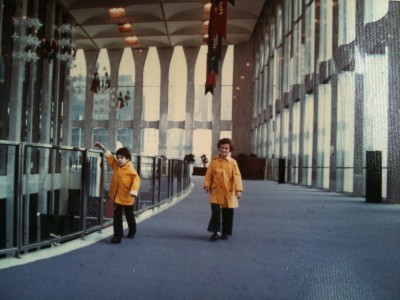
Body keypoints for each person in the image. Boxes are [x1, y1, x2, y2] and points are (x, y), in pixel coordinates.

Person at [94, 142, 140, 244]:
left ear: (127, 159)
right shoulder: (117, 166)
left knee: (129, 215)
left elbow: (136, 180)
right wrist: (103, 148)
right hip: (117, 197)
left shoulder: (130, 169)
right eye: (118, 157)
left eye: (121, 158)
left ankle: (132, 230)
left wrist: (133, 192)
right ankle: (117, 236)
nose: (119, 160)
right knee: (117, 217)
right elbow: (110, 158)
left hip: (127, 197)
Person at [203, 138, 243, 241]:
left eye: (226, 148)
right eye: (222, 148)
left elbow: (237, 176)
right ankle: (216, 232)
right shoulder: (214, 161)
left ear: (229, 150)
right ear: (219, 148)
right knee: (215, 212)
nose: (224, 150)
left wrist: (238, 190)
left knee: (228, 212)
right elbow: (209, 174)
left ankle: (225, 232)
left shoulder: (233, 162)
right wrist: (207, 185)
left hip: (229, 192)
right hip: (216, 191)